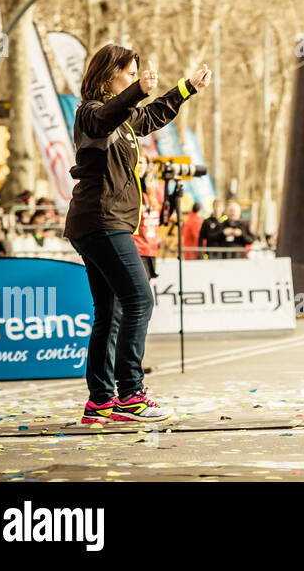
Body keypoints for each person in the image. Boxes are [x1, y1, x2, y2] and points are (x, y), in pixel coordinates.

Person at [63, 45, 211, 425]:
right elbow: (110, 113)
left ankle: (100, 401)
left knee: (109, 313)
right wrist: (138, 90)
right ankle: (130, 394)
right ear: (110, 74)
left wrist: (186, 87)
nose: (134, 78)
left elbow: (149, 116)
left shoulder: (124, 118)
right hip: (102, 220)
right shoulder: (91, 113)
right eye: (129, 73)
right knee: (140, 300)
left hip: (100, 222)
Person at [131, 156, 160, 280]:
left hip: (150, 250)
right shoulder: (130, 190)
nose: (141, 166)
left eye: (143, 163)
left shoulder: (152, 192)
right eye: (138, 162)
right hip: (135, 249)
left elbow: (163, 219)